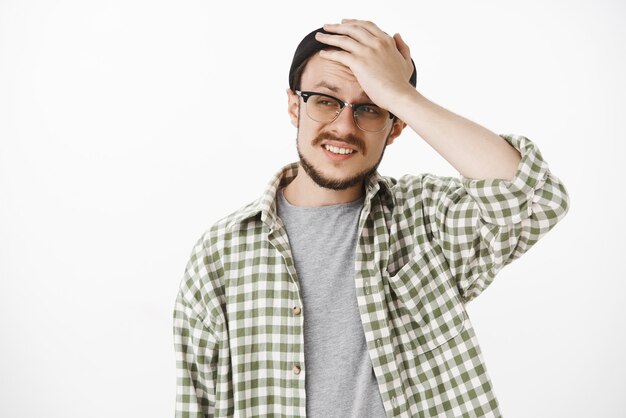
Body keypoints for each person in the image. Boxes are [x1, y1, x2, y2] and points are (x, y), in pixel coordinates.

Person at [172, 19, 570, 417]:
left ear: (395, 127)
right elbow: (199, 406)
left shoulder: (424, 218)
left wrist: (399, 93)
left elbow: (534, 197)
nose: (344, 127)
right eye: (325, 100)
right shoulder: (221, 255)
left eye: (369, 108)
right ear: (295, 105)